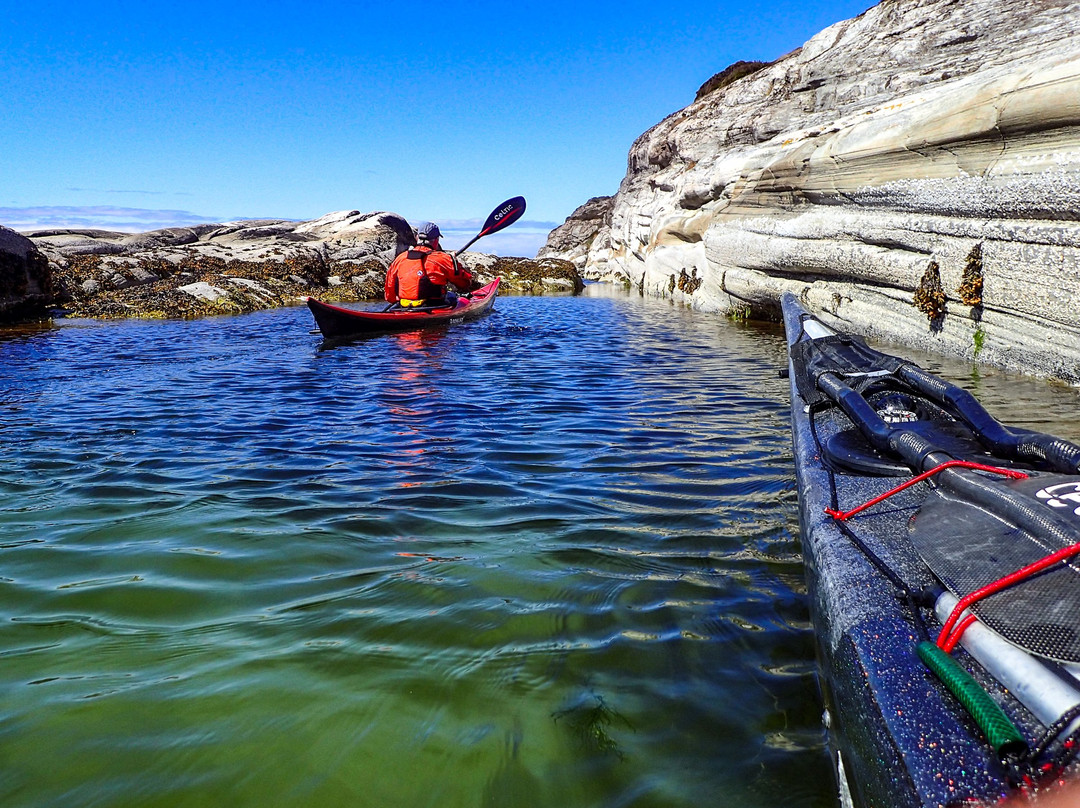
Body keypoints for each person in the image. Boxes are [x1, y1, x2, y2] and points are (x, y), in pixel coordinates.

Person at [384, 221, 474, 308]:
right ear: (436, 240)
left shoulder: (400, 258)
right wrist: (454, 262)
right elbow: (464, 283)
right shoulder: (443, 258)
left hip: (404, 305)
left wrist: (396, 302)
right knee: (453, 296)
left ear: (417, 237)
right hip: (434, 306)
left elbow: (389, 294)